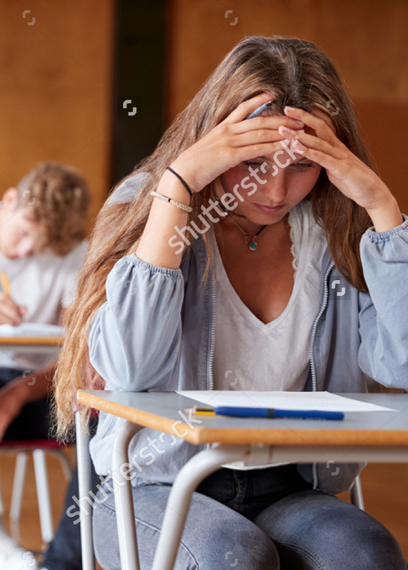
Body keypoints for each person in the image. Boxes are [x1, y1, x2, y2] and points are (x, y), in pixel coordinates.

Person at [54, 36, 408, 569]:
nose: (277, 189)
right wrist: (178, 187)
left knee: (367, 553)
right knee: (234, 556)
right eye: (254, 162)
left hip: (290, 484)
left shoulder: (340, 229)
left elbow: (401, 364)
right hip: (155, 483)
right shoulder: (150, 205)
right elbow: (129, 369)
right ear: (214, 141)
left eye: (302, 166)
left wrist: (383, 208)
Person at [0, 161, 93, 570]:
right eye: (22, 234)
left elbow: (78, 353)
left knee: (105, 415)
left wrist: (17, 392)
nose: (24, 252)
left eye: (41, 247)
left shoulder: (75, 250)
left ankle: (62, 565)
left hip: (37, 389)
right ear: (11, 199)